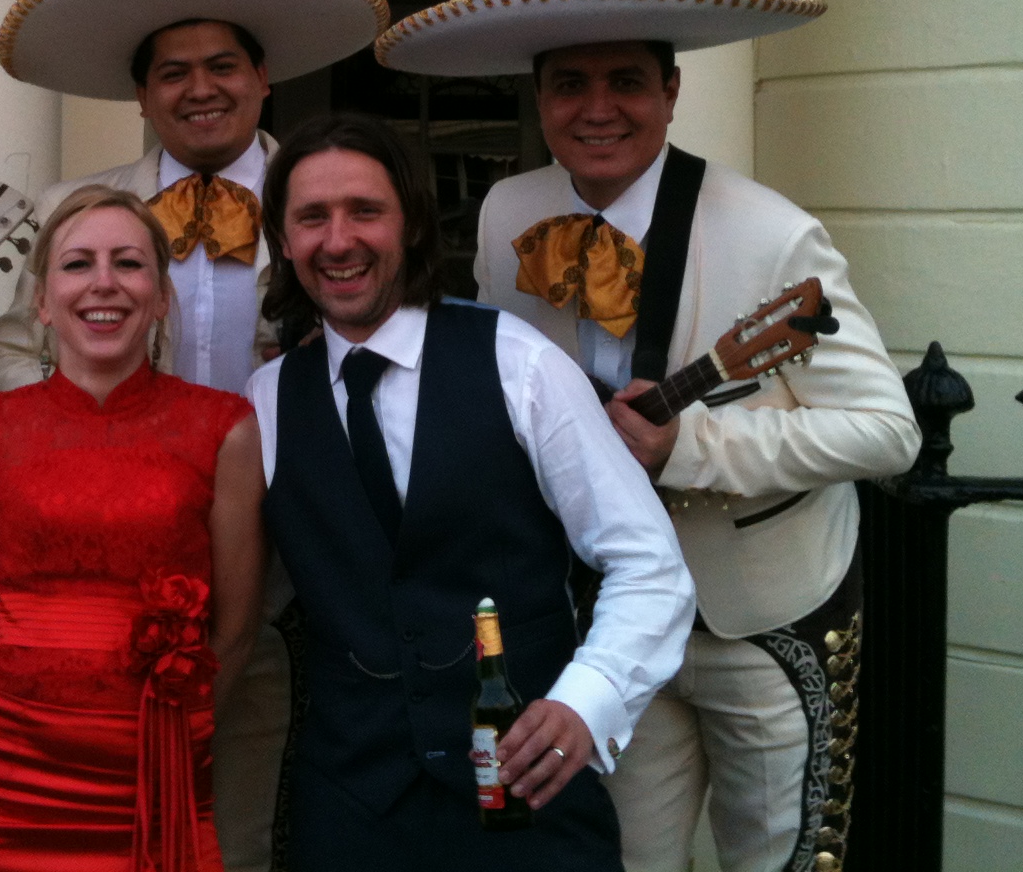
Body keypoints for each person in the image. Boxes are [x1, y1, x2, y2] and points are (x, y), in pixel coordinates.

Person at [376, 0, 922, 872]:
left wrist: (689, 447)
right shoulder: (510, 214)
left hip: (761, 615)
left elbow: (889, 432)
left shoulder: (774, 234)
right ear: (537, 96)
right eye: (569, 84)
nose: (598, 109)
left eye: (626, 81)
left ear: (671, 91)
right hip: (600, 618)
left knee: (780, 862)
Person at [0, 0, 388, 869]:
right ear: (141, 94)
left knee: (251, 824)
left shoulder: (323, 206)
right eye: (172, 73)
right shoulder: (69, 210)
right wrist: (92, 444)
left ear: (261, 78)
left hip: (293, 568)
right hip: (104, 564)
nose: (198, 89)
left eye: (220, 66)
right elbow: (4, 366)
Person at [247, 112, 695, 872]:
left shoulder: (520, 365)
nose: (338, 239)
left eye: (366, 211)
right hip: (351, 811)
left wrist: (587, 702)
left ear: (413, 226)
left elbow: (648, 564)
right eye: (311, 217)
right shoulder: (263, 401)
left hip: (527, 799)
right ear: (285, 244)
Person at [0, 184, 267, 871]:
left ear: (162, 296)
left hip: (154, 772)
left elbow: (236, 625)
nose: (103, 283)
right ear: (42, 300)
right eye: (77, 264)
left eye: (129, 264)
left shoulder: (225, 427)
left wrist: (181, 730)